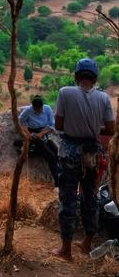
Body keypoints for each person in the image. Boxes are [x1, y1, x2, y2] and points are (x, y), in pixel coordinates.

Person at [53, 57, 115, 261]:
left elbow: (59, 125)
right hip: (93, 152)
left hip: (70, 150)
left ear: (76, 76)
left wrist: (75, 123)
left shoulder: (65, 92)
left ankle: (66, 249)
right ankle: (87, 243)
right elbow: (111, 129)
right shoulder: (104, 98)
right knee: (91, 198)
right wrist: (94, 127)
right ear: (95, 78)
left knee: (68, 199)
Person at [17, 95, 58, 187]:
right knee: (51, 156)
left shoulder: (47, 109)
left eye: (40, 108)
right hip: (33, 135)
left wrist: (42, 133)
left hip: (44, 133)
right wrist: (27, 133)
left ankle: (62, 178)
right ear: (33, 107)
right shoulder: (28, 110)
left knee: (56, 152)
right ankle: (57, 182)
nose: (38, 111)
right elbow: (19, 122)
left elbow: (52, 125)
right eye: (36, 109)